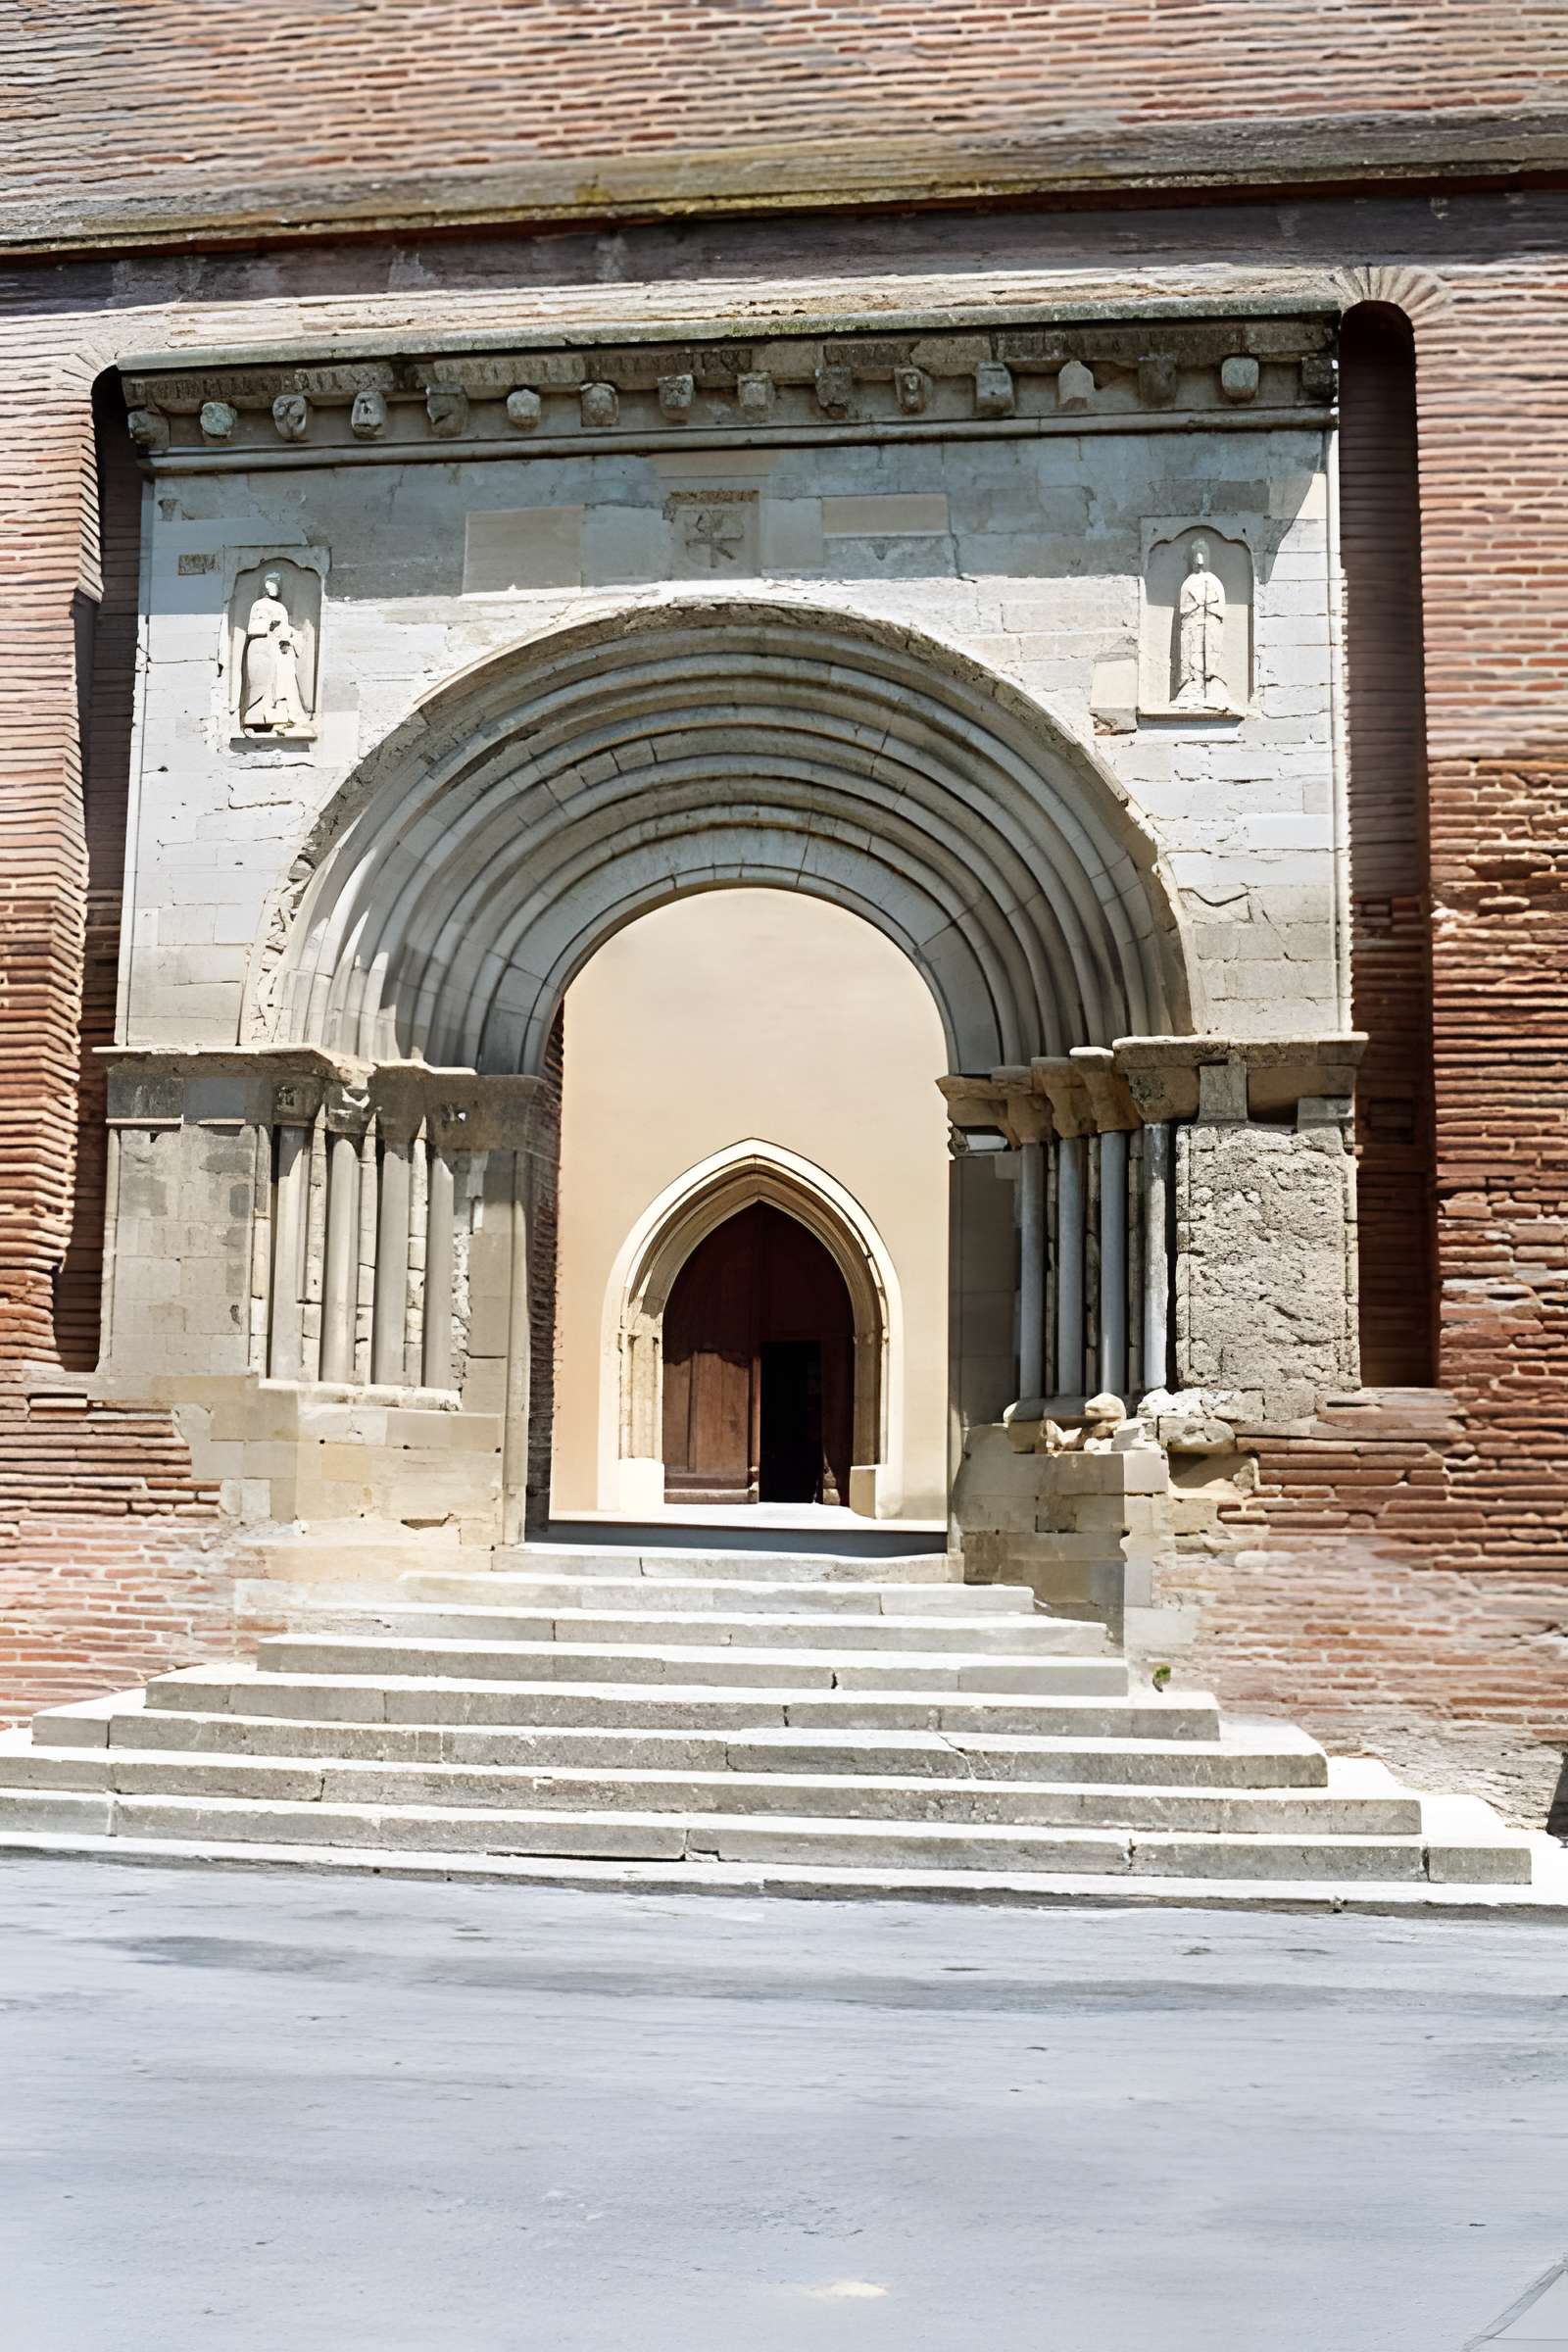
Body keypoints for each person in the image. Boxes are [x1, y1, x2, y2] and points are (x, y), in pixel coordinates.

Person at [240, 570, 307, 732]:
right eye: (271, 583)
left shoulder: (281, 607)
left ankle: (281, 716)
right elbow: (252, 628)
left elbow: (286, 629)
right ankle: (256, 718)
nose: (275, 587)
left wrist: (289, 639)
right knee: (262, 683)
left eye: (277, 584)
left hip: (280, 651)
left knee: (284, 681)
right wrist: (269, 625)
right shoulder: (259, 605)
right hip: (263, 649)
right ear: (265, 585)